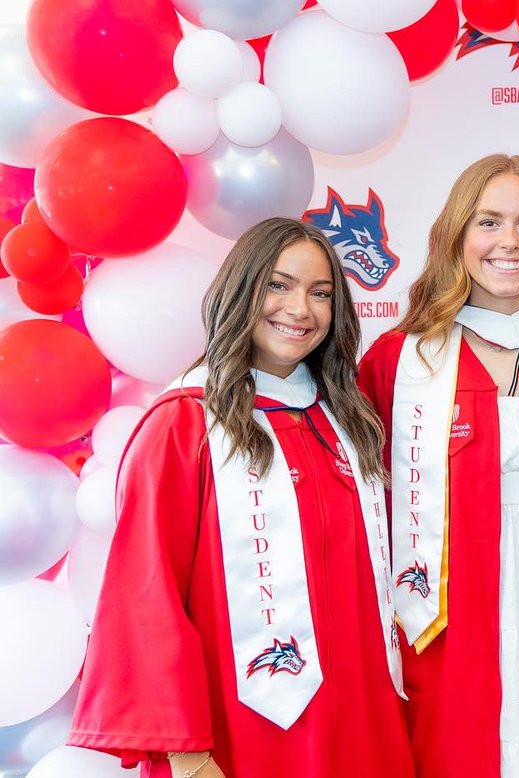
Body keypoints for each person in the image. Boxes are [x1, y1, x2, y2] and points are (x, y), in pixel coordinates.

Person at [68, 218, 414, 777]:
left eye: (320, 293)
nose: (300, 308)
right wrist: (187, 756)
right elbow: (145, 593)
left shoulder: (347, 423)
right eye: (278, 285)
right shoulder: (185, 423)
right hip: (244, 730)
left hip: (361, 721)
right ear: (241, 290)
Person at [357, 154, 519, 778]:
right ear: (456, 237)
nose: (509, 242)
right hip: (450, 608)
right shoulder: (397, 361)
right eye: (488, 221)